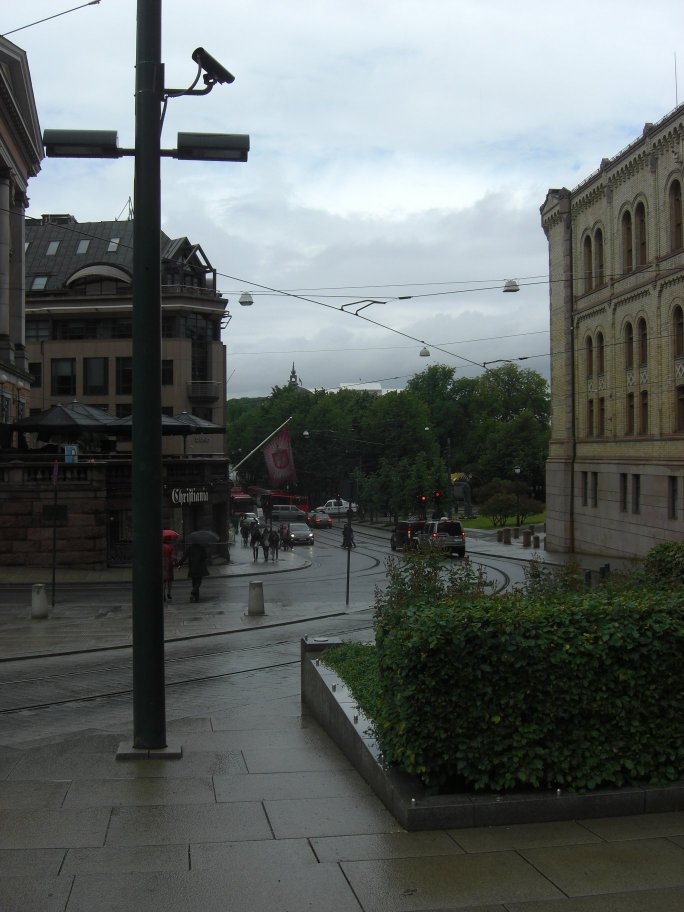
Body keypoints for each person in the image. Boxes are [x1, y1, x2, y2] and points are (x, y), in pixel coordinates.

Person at [162, 535, 176, 600]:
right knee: (169, 580)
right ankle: (169, 593)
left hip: (162, 564)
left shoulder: (160, 546)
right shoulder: (171, 546)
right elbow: (173, 557)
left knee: (164, 580)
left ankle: (163, 594)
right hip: (169, 564)